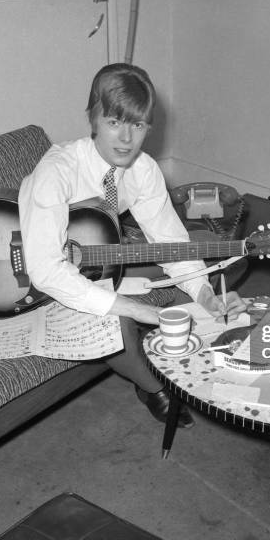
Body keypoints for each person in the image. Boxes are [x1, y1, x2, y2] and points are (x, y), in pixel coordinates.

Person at [18, 63, 246, 429]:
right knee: (117, 322)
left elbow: (171, 242)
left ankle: (178, 348)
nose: (126, 139)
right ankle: (151, 385)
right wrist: (138, 311)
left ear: (148, 128)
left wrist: (204, 295)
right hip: (37, 277)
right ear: (93, 119)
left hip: (99, 260)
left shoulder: (143, 170)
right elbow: (44, 269)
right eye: (114, 122)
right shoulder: (57, 171)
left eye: (137, 125)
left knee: (214, 255)